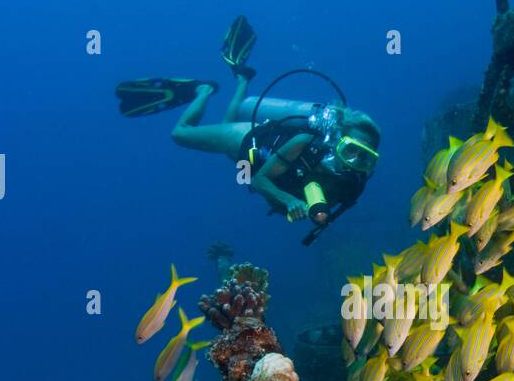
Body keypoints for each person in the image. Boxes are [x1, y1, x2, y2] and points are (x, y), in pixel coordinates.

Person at [116, 17, 380, 230]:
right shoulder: (306, 142)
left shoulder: (353, 183)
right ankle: (203, 90)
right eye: (350, 150)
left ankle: (243, 79)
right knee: (180, 134)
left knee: (224, 126)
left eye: (364, 158)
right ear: (337, 142)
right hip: (249, 140)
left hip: (254, 160)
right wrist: (289, 201)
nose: (354, 161)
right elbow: (259, 181)